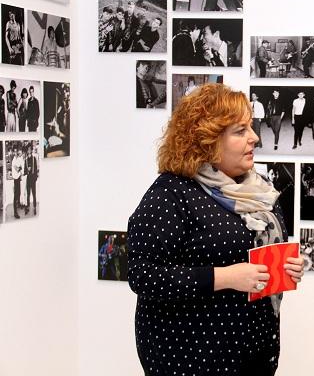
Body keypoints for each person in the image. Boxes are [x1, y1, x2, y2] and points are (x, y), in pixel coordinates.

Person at [127, 83, 304, 375]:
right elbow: (143, 276)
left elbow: (256, 254)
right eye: (240, 131)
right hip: (192, 360)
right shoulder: (170, 195)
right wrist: (224, 277)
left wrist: (286, 267)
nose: (254, 138)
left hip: (253, 354)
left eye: (250, 127)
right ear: (206, 141)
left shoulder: (257, 190)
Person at [11, 147, 25, 219]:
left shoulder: (18, 159)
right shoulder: (13, 160)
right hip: (15, 179)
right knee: (15, 196)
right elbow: (17, 169)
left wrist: (20, 168)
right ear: (13, 152)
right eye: (15, 151)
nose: (16, 153)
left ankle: (19, 204)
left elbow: (21, 167)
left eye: (17, 151)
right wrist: (20, 168)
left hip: (18, 178)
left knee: (19, 193)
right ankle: (15, 212)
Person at [25, 145, 38, 215]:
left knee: (34, 194)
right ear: (27, 151)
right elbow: (24, 171)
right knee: (28, 194)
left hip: (33, 179)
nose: (29, 150)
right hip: (28, 179)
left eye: (30, 149)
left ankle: (35, 207)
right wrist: (27, 170)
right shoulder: (26, 160)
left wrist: (35, 179)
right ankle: (27, 207)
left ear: (31, 150)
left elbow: (36, 169)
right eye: (28, 149)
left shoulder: (34, 159)